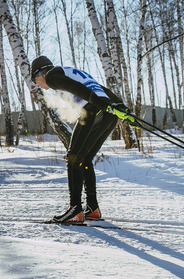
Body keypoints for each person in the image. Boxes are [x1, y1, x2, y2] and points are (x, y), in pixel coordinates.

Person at [31, 55, 137, 223]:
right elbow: (102, 90)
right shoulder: (71, 71)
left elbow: (76, 88)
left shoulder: (52, 75)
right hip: (107, 115)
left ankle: (75, 209)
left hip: (92, 110)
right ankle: (92, 208)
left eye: (35, 80)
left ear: (40, 73)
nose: (37, 85)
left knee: (73, 156)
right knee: (84, 158)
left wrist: (99, 103)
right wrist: (124, 110)